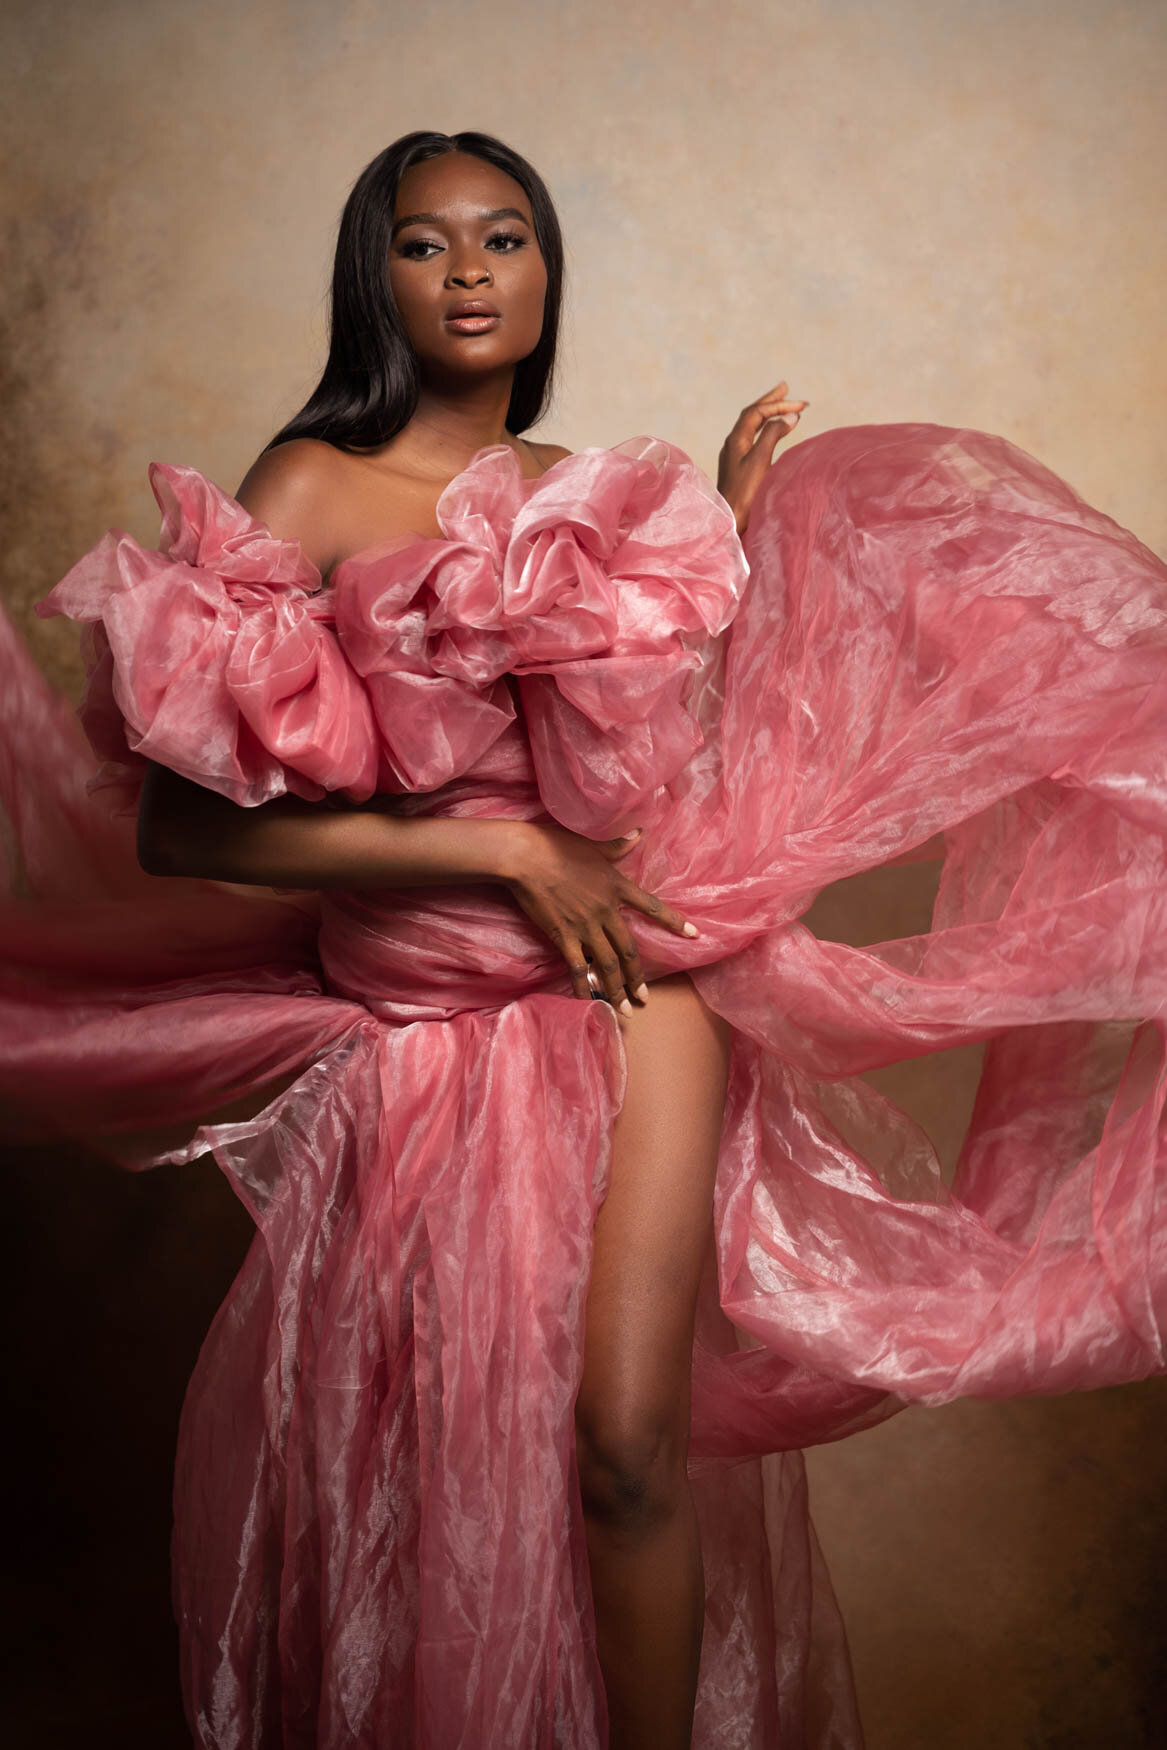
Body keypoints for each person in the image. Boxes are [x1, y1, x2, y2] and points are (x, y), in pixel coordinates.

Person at [3, 128, 1166, 1749]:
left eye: (506, 238)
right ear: (377, 273)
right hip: (422, 1038)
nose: (470, 270)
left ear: (550, 274)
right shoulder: (306, 486)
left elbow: (660, 766)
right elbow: (184, 830)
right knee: (452, 1474)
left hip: (632, 990)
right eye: (427, 242)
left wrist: (734, 555)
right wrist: (500, 850)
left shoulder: (590, 497)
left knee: (628, 1445)